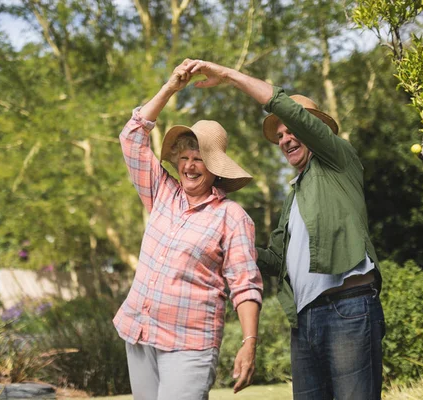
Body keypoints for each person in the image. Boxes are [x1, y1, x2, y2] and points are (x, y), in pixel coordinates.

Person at [185, 59, 385, 400]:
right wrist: (228, 234)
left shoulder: (340, 161)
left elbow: (285, 108)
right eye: (279, 136)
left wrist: (230, 75)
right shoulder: (294, 198)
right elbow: (276, 259)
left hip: (347, 309)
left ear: (313, 129)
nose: (285, 138)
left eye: (291, 130)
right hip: (304, 319)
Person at [113, 60, 263, 400]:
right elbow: (132, 137)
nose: (190, 165)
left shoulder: (231, 216)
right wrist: (169, 88)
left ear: (215, 168)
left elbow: (246, 285)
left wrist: (249, 342)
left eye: (200, 158)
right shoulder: (161, 191)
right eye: (185, 157)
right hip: (139, 330)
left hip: (189, 344)